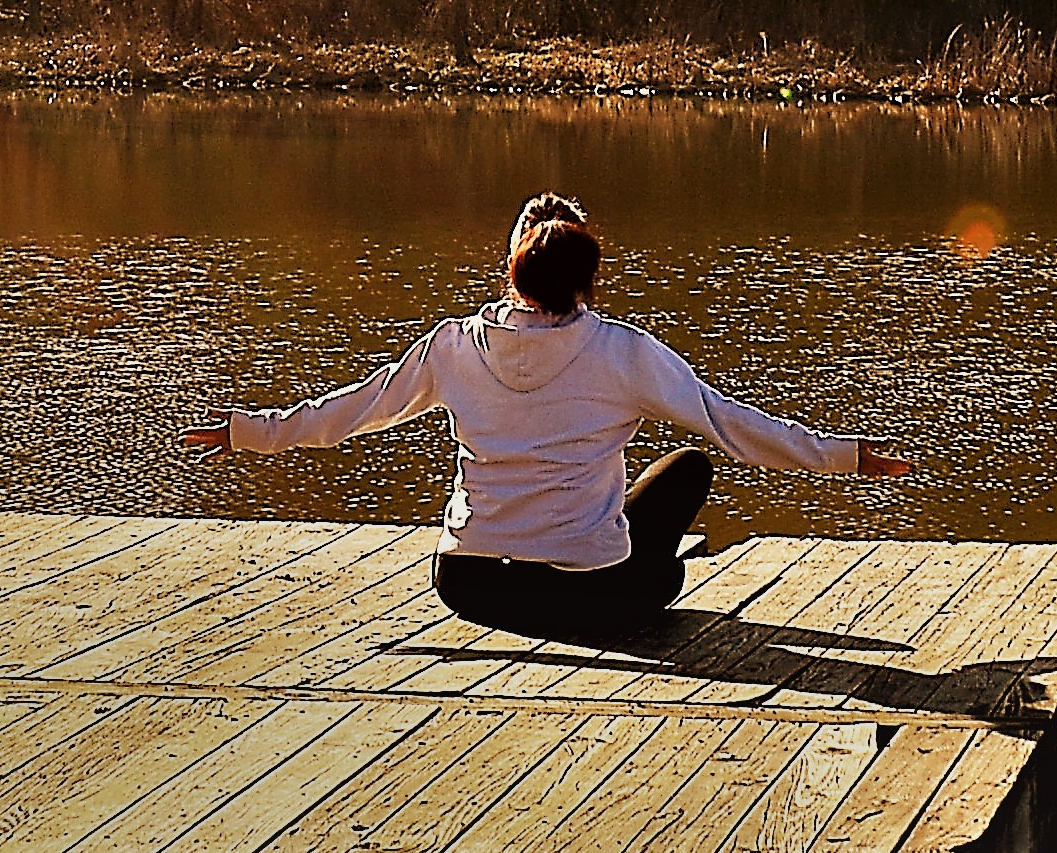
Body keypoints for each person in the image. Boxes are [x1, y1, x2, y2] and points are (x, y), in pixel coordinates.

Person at [178, 193, 913, 646]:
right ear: (589, 278)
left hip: (469, 584)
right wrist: (845, 455)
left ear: (513, 270)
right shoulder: (622, 352)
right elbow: (729, 424)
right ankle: (618, 577)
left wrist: (248, 431)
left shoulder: (452, 345)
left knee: (640, 510)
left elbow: (353, 410)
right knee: (686, 478)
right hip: (586, 592)